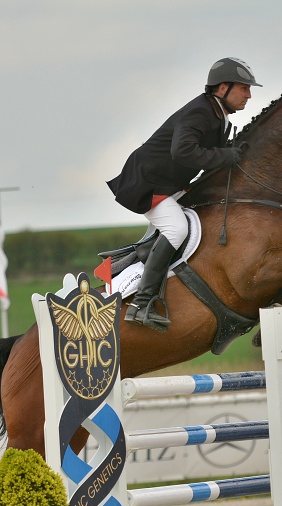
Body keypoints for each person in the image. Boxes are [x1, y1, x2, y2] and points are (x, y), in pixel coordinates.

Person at [107, 57, 261, 331]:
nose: (249, 94)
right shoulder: (201, 111)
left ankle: (144, 254)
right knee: (176, 229)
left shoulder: (218, 115)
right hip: (149, 183)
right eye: (244, 88)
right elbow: (183, 151)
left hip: (169, 183)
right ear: (223, 87)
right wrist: (225, 156)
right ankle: (142, 304)